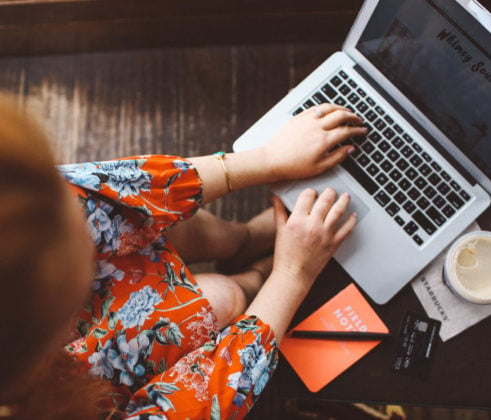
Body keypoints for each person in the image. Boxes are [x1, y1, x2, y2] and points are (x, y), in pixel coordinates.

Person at [0, 95, 366, 419]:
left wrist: (268, 160)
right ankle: (254, 275)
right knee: (226, 296)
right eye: (80, 242)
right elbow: (197, 403)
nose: (92, 227)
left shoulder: (19, 201)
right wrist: (292, 274)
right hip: (83, 375)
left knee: (178, 227)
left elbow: (117, 196)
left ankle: (243, 240)